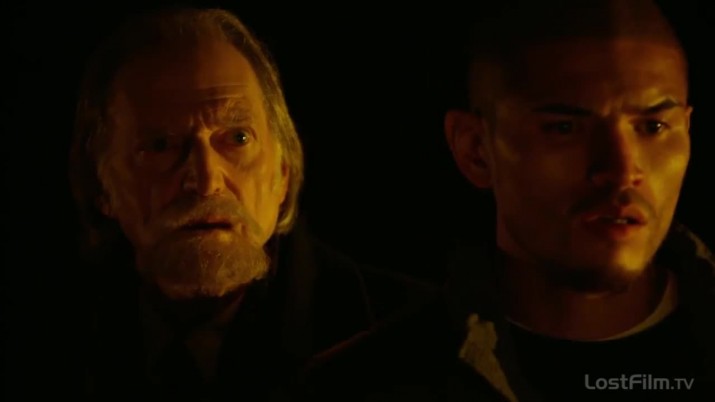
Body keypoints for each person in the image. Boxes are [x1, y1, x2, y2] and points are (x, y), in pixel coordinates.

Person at [320, 1, 713, 401]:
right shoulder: (359, 387)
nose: (622, 169)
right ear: (475, 149)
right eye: (564, 128)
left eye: (653, 126)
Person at [67, 7, 431, 401]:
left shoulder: (416, 341)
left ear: (283, 172)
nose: (207, 182)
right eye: (160, 145)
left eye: (238, 138)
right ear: (101, 184)